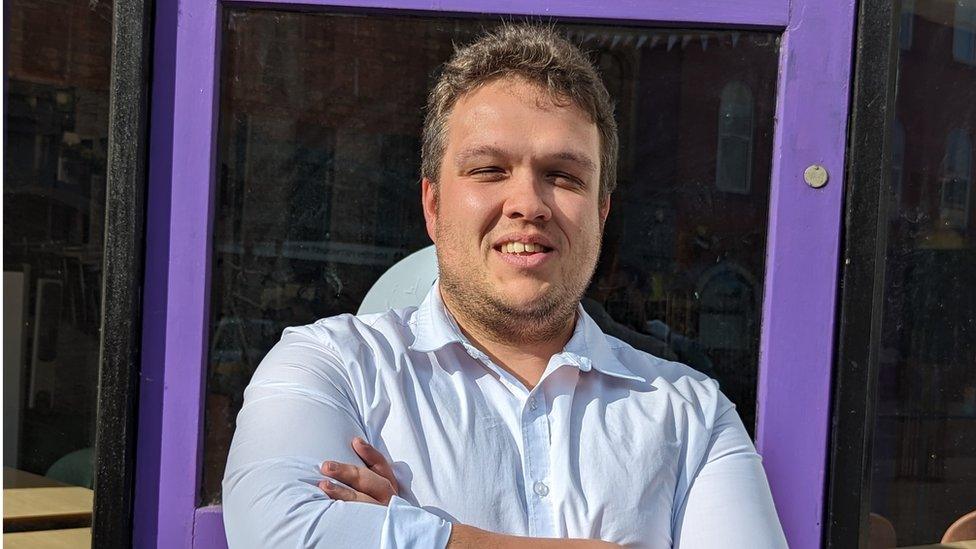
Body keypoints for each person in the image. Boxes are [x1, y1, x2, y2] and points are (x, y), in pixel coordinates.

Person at [222, 24, 787, 548]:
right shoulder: (331, 366)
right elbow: (282, 531)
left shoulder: (692, 414)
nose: (527, 205)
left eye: (563, 176)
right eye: (490, 170)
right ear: (433, 205)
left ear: (601, 212)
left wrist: (414, 531)